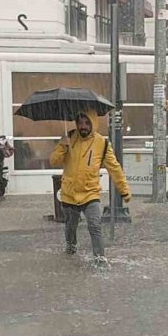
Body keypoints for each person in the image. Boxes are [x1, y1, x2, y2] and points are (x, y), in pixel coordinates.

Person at [50, 108, 131, 265]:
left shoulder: (102, 143)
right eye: (80, 123)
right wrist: (62, 147)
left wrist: (124, 189)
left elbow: (115, 168)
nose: (83, 126)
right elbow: (53, 161)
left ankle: (100, 257)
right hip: (69, 193)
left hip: (90, 193)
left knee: (95, 225)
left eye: (87, 123)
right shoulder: (69, 138)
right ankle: (71, 245)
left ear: (93, 123)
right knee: (70, 226)